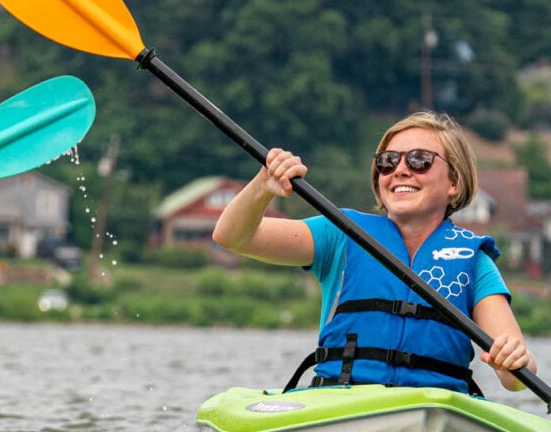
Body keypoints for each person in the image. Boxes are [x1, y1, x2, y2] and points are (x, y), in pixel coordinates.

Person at [212, 110, 534, 395]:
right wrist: (262, 186)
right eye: (388, 161)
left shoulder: (474, 262)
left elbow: (518, 378)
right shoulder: (339, 233)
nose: (401, 170)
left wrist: (513, 363)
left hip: (435, 412)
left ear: (454, 182)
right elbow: (233, 236)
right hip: (342, 404)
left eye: (419, 160)